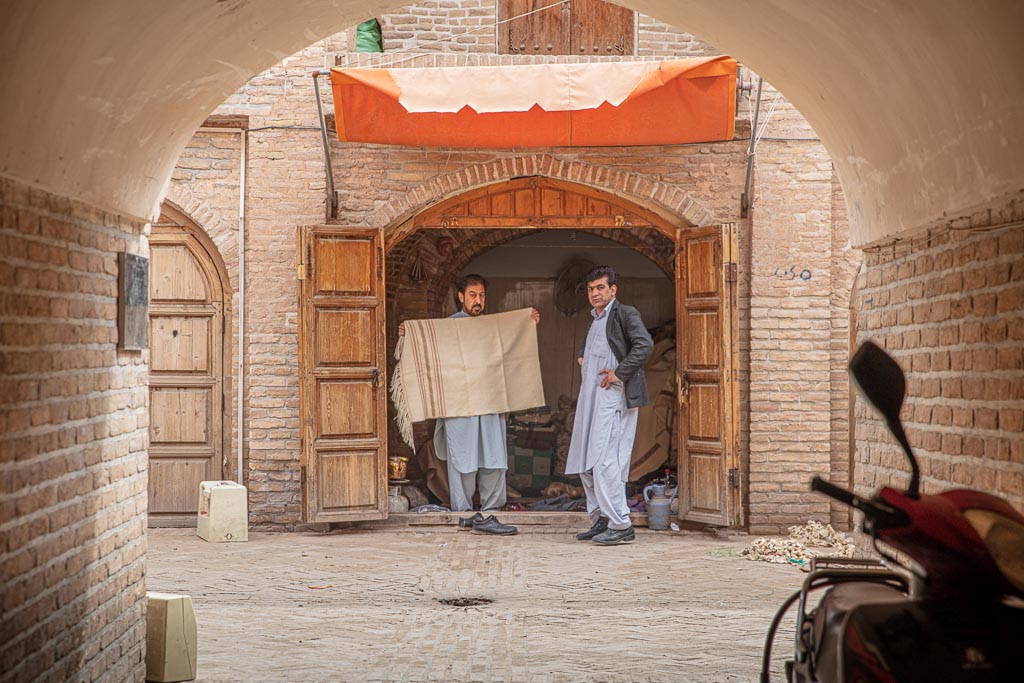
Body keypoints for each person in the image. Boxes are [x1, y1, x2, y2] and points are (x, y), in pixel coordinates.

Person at [398, 273, 539, 535]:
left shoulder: (494, 328)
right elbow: (427, 351)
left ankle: (491, 513)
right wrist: (410, 333)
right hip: (459, 407)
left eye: (482, 295)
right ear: (461, 296)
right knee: (461, 460)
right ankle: (462, 514)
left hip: (489, 404)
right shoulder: (447, 328)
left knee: (494, 460)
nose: (478, 300)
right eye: (472, 295)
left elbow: (513, 351)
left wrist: (527, 324)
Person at [565, 266, 653, 545]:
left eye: (600, 288)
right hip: (590, 397)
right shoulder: (594, 319)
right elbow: (591, 348)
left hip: (613, 398)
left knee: (604, 461)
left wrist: (618, 373)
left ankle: (621, 523)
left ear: (613, 290)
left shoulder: (625, 313)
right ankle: (601, 519)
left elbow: (644, 345)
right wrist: (583, 359)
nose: (595, 293)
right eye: (591, 289)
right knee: (584, 463)